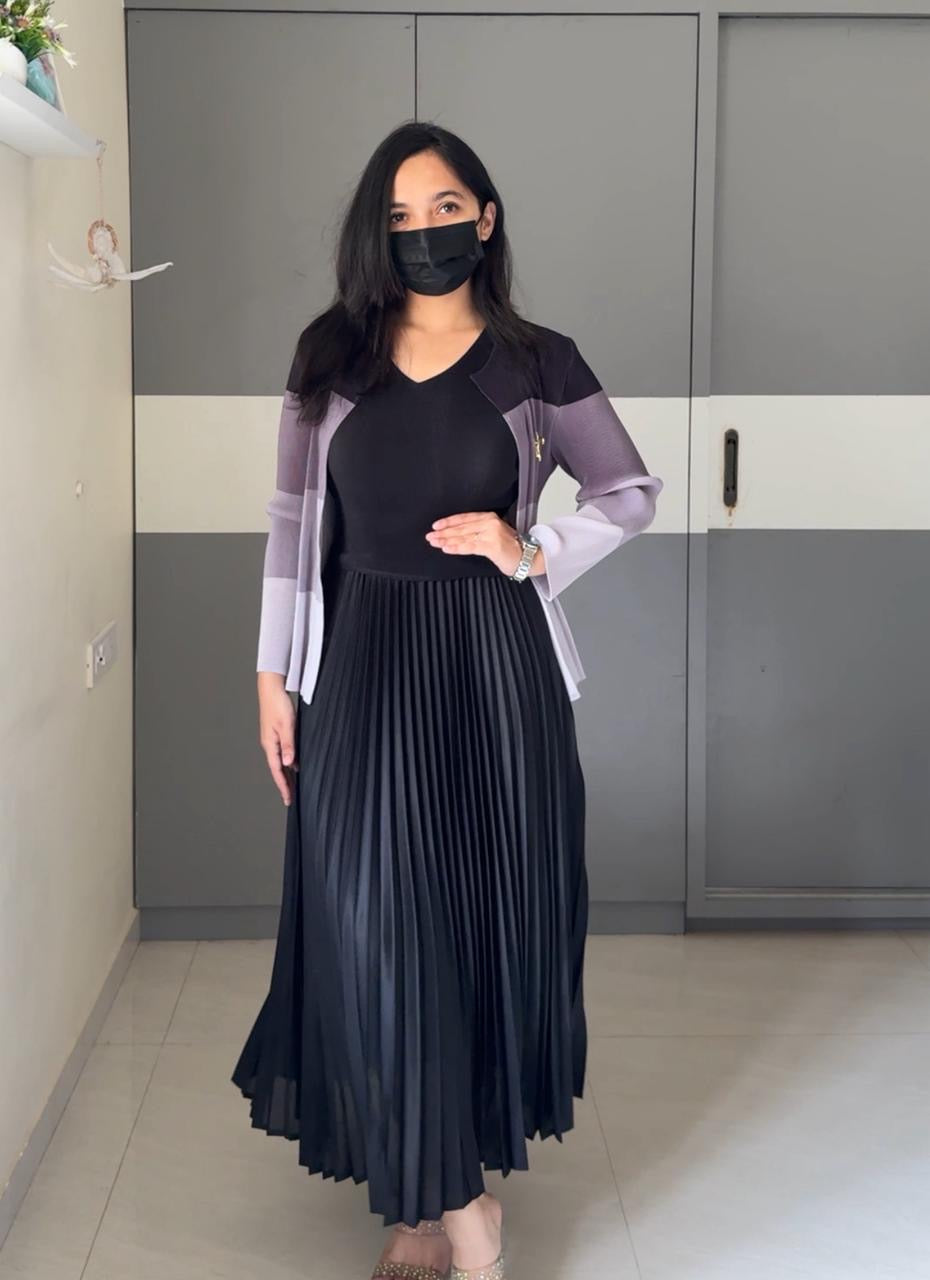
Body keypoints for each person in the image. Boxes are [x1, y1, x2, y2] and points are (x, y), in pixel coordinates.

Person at [231, 120, 663, 1280]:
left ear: (486, 217)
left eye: (445, 209)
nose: (423, 233)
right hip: (362, 663)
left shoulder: (538, 362)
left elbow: (628, 491)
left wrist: (532, 547)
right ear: (376, 233)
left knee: (470, 923)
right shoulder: (331, 356)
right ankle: (461, 1206)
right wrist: (272, 673)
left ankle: (429, 1205)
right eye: (400, 216)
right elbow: (292, 524)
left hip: (494, 670)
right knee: (376, 923)